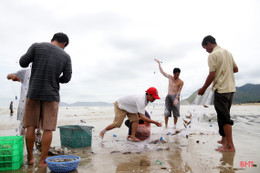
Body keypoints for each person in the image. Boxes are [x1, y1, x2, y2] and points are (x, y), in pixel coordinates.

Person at [19, 32, 72, 167]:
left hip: (34, 93)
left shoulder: (37, 47)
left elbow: (23, 62)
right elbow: (66, 78)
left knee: (30, 126)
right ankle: (42, 161)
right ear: (64, 44)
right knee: (48, 129)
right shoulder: (65, 56)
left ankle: (30, 159)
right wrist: (56, 79)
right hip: (51, 95)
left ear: (52, 39)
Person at [198, 35, 238, 152]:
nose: (206, 50)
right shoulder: (227, 52)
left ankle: (230, 146)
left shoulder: (213, 55)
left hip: (221, 89)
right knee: (223, 115)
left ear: (209, 43)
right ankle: (224, 140)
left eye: (205, 47)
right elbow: (236, 69)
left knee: (224, 117)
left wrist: (204, 88)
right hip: (231, 89)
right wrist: (225, 71)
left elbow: (212, 74)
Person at [154, 59, 184, 129]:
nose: (177, 76)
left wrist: (176, 98)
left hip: (176, 97)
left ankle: (175, 127)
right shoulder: (170, 77)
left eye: (178, 74)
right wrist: (159, 63)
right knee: (167, 112)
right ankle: (166, 127)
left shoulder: (181, 82)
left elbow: (179, 91)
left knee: (176, 114)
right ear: (173, 73)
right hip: (168, 96)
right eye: (176, 74)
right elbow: (162, 72)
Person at [7, 68, 31, 135]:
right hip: (28, 104)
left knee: (25, 125)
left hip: (29, 104)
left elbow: (11, 77)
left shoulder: (28, 71)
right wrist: (17, 78)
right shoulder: (26, 72)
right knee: (27, 126)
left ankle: (24, 142)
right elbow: (10, 76)